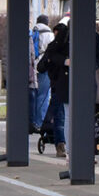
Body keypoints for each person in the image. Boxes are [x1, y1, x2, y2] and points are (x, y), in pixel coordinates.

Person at [39, 22, 70, 157]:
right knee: (61, 115)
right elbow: (42, 66)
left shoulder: (56, 48)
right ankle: (61, 144)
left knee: (60, 115)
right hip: (59, 86)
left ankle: (61, 144)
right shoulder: (57, 48)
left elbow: (42, 66)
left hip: (58, 85)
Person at [29, 15, 54, 133]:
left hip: (32, 67)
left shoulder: (32, 32)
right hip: (44, 67)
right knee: (43, 96)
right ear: (47, 22)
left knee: (33, 95)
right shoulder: (49, 34)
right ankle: (40, 122)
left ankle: (32, 121)